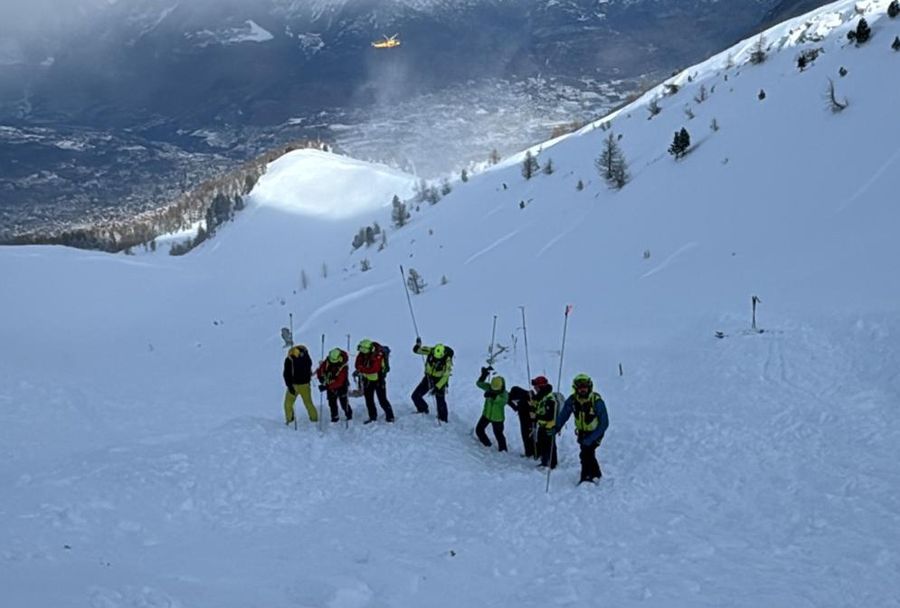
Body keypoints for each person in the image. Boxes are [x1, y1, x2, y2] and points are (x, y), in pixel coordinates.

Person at [555, 373, 609, 484]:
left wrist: (592, 438)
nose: (583, 390)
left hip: (596, 432)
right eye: (580, 388)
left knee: (585, 454)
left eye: (585, 387)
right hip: (582, 432)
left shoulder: (596, 401)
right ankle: (596, 474)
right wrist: (557, 426)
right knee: (588, 452)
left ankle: (586, 478)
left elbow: (604, 423)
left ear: (590, 387)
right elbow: (564, 414)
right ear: (576, 388)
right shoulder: (573, 400)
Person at [411, 337, 453, 423]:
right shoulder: (431, 351)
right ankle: (423, 408)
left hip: (440, 380)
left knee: (440, 400)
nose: (436, 359)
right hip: (428, 378)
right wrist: (417, 345)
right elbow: (418, 350)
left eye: (438, 358)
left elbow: (446, 376)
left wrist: (437, 387)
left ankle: (443, 419)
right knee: (415, 396)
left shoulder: (447, 360)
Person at [355, 339, 395, 423]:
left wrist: (361, 369)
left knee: (382, 400)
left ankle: (390, 417)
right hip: (367, 380)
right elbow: (357, 363)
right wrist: (361, 368)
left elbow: (373, 369)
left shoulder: (378, 355)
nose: (361, 352)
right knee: (369, 399)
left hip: (379, 380)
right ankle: (372, 416)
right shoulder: (363, 353)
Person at [283, 344, 318, 426]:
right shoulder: (306, 358)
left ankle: (290, 420)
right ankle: (314, 420)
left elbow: (286, 374)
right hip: (302, 385)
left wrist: (289, 386)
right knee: (308, 403)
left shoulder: (290, 360)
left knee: (288, 404)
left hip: (297, 385)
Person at [474, 366, 508, 452]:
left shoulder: (504, 394)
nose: (494, 391)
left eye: (496, 390)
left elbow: (502, 401)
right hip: (486, 415)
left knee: (499, 435)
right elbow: (479, 384)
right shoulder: (490, 388)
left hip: (497, 418)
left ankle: (503, 451)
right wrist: (483, 375)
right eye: (493, 389)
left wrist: (493, 395)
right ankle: (487, 445)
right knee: (479, 430)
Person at [316, 348, 353, 423]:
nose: (332, 362)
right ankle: (334, 417)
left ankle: (349, 415)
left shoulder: (343, 366)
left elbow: (339, 381)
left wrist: (326, 387)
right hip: (329, 385)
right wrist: (320, 377)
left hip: (341, 386)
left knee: (344, 402)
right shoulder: (328, 360)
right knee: (332, 402)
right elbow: (321, 369)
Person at [530, 375, 560, 469]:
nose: (534, 388)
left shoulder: (550, 399)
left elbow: (550, 416)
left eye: (536, 386)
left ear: (541, 387)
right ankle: (544, 462)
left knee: (550, 446)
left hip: (549, 426)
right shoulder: (541, 396)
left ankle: (552, 464)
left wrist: (536, 416)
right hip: (542, 425)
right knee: (542, 444)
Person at [507, 385, 536, 458]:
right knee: (525, 435)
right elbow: (509, 401)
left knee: (529, 436)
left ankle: (532, 453)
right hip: (523, 418)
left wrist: (533, 418)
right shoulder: (516, 394)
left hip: (530, 419)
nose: (516, 401)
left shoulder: (529, 396)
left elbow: (534, 409)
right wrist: (516, 407)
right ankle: (529, 452)